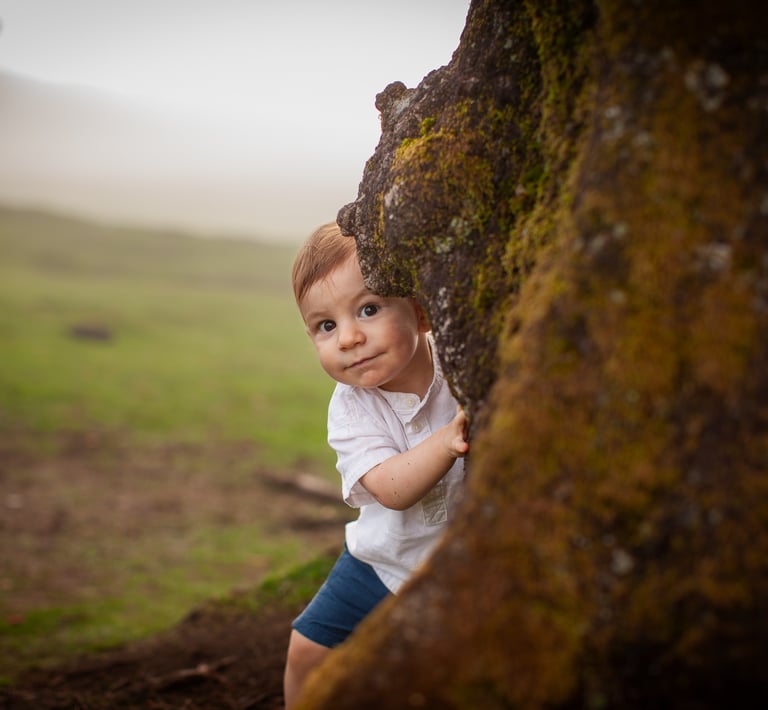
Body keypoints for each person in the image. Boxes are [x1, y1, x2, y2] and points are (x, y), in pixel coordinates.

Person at [283, 222, 469, 707]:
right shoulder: (350, 409)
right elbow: (390, 487)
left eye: (368, 309)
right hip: (380, 562)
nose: (348, 338)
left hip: (463, 566)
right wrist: (448, 441)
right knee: (306, 652)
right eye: (326, 326)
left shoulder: (461, 364)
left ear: (422, 312)